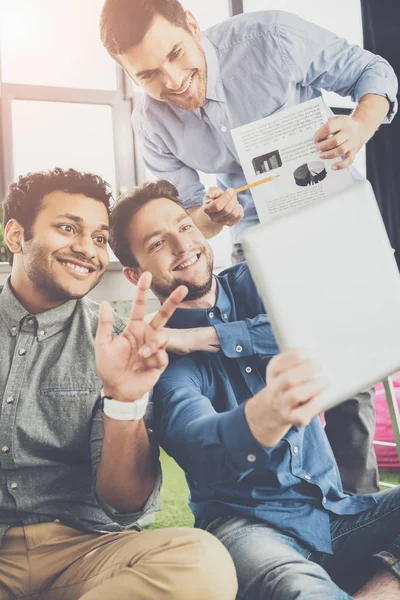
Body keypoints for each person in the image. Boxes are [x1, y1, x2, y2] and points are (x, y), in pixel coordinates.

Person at [100, 0, 398, 496]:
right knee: (265, 357)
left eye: (175, 54)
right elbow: (189, 221)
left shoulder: (270, 38)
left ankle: (356, 502)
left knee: (347, 367)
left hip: (332, 216)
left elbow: (374, 70)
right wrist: (210, 217)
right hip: (257, 242)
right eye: (148, 74)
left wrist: (361, 124)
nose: (172, 81)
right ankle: (283, 495)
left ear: (192, 25)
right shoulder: (151, 124)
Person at [109, 179, 400, 600]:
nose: (181, 244)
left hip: (335, 513)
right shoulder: (163, 364)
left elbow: (322, 319)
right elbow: (201, 447)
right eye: (157, 244)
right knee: (296, 588)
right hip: (248, 529)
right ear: (136, 274)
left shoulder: (254, 281)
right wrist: (264, 417)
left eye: (185, 226)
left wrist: (205, 335)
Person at [0, 168, 238, 600]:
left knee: (202, 561)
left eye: (98, 238)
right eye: (68, 228)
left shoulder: (116, 344)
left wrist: (124, 401)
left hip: (88, 550)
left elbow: (126, 506)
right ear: (16, 236)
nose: (86, 249)